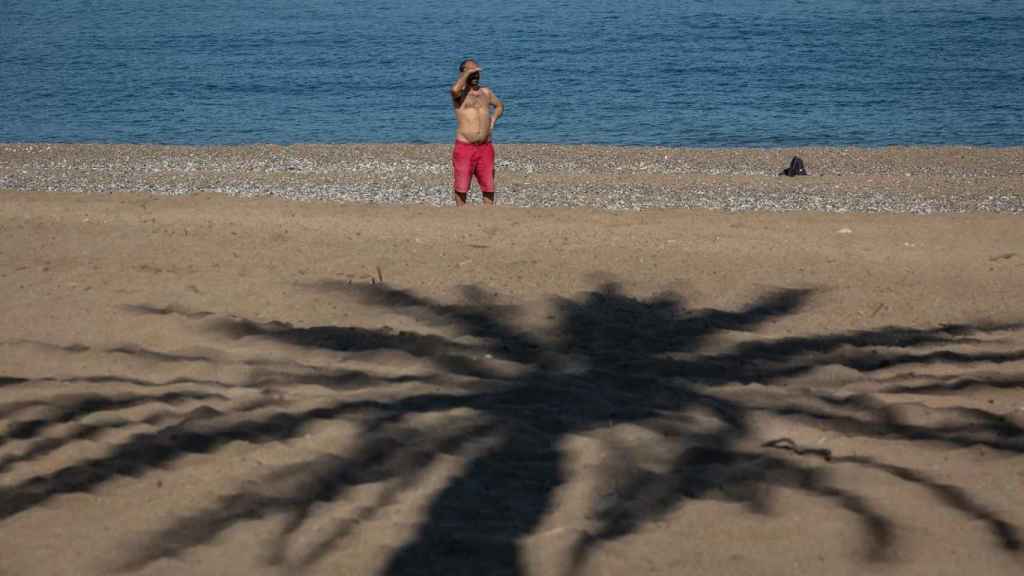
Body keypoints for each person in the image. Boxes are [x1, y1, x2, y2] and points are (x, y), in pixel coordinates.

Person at [450, 58, 504, 206]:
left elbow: (499, 106)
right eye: (471, 73)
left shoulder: (486, 92)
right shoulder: (460, 94)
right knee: (461, 186)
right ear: (463, 74)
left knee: (488, 185)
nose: (475, 76)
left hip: (485, 147)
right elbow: (454, 90)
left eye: (477, 72)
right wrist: (466, 74)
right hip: (465, 146)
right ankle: (461, 215)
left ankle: (487, 214)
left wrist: (493, 118)